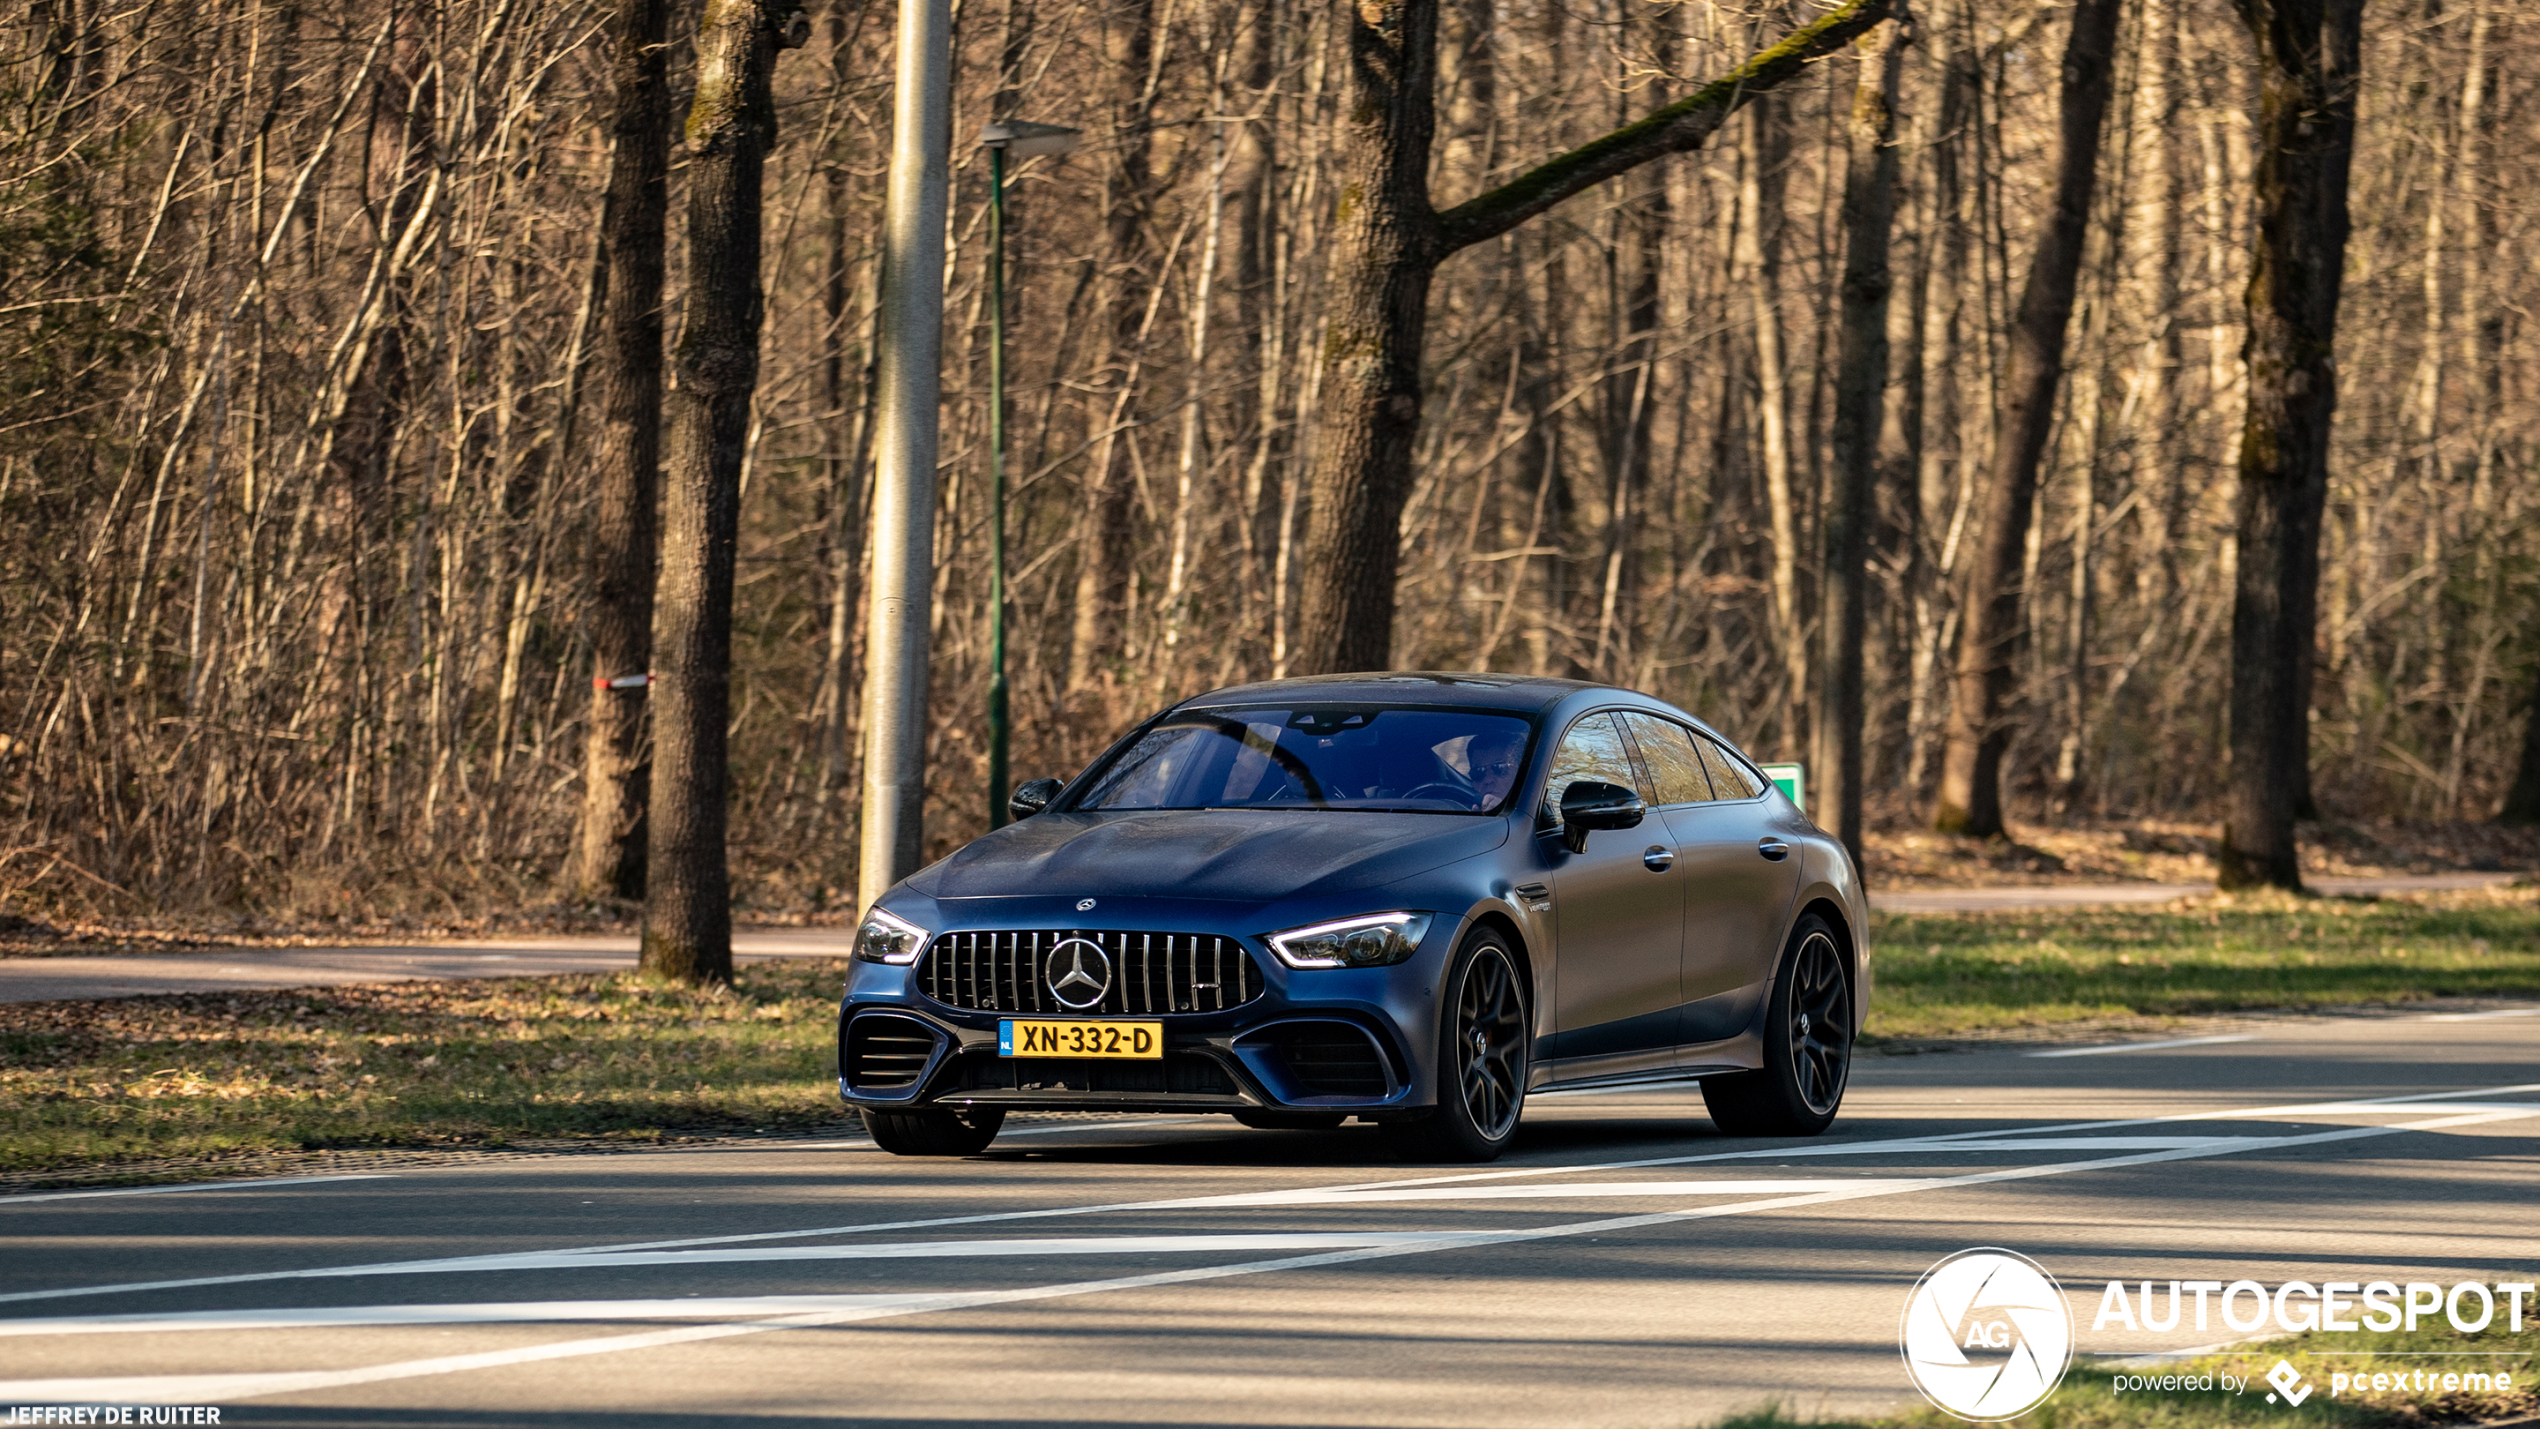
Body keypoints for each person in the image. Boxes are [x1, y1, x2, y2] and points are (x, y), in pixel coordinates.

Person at [1464, 726, 1527, 809]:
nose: (1488, 780)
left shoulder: (1536, 812)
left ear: (1519, 774)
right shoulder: (1462, 809)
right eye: (1478, 772)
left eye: (1499, 768)